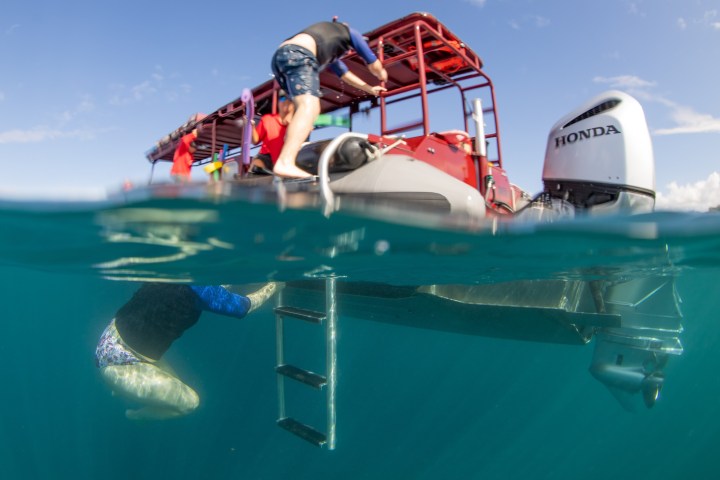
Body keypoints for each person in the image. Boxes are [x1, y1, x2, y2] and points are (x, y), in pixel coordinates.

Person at [95, 282, 278, 420]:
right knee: (190, 403)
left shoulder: (171, 268)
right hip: (120, 363)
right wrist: (275, 285)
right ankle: (136, 416)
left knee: (175, 385)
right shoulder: (202, 290)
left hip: (111, 337)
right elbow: (243, 307)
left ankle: (124, 388)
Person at [271, 19, 388, 178]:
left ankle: (294, 151)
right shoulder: (349, 32)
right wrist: (382, 73)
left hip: (281, 57)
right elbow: (373, 63)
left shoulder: (329, 48)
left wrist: (369, 89)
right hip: (299, 54)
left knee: (306, 110)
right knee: (310, 106)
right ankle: (285, 162)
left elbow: (346, 76)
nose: (348, 52)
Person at [251, 92, 295, 172]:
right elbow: (255, 141)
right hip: (267, 159)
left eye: (290, 99)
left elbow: (323, 119)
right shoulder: (267, 119)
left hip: (287, 160)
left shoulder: (300, 122)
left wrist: (293, 115)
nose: (285, 101)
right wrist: (252, 126)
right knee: (257, 164)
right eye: (282, 98)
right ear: (278, 102)